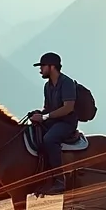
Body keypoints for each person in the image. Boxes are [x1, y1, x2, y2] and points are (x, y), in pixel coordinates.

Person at [30, 51, 78, 194]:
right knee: (33, 134)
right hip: (53, 121)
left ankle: (59, 180)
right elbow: (48, 108)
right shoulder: (48, 86)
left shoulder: (67, 83)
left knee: (49, 139)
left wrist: (45, 117)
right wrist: (39, 113)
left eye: (42, 66)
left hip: (66, 123)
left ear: (52, 67)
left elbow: (68, 107)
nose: (40, 70)